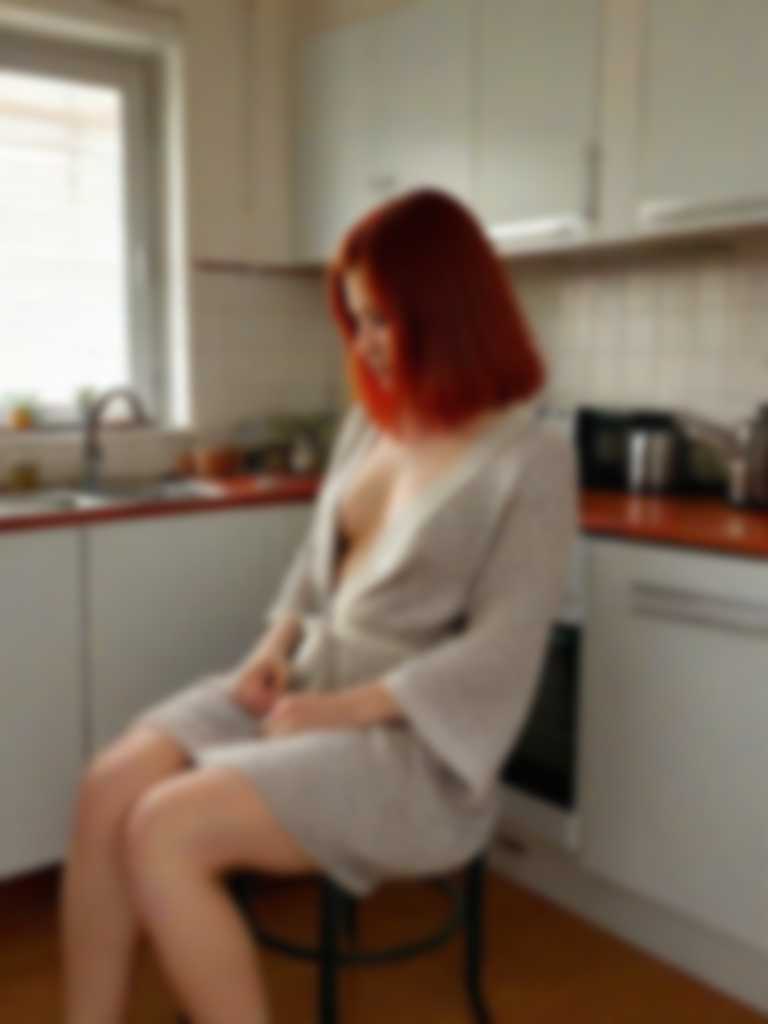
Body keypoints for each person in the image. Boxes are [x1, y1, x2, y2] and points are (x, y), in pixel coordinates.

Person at [59, 188, 578, 1024]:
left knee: (165, 827)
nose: (364, 345)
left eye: (382, 320)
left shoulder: (532, 459)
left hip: (411, 746)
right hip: (299, 688)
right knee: (108, 787)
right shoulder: (369, 427)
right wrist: (273, 646)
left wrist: (345, 709)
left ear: (450, 310)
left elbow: (504, 649)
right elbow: (313, 569)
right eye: (356, 320)